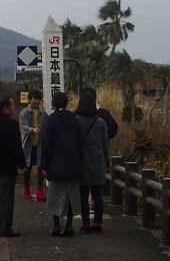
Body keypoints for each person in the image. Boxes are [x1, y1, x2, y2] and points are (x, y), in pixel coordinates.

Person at [0, 96, 27, 237]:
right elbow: (16, 147)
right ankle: (5, 228)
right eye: (12, 105)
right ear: (5, 108)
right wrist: (22, 165)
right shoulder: (12, 124)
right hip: (7, 167)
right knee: (6, 198)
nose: (14, 107)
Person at [40, 92, 82, 237]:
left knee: (55, 196)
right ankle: (69, 226)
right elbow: (80, 143)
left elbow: (46, 146)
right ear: (66, 103)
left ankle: (56, 226)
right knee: (71, 196)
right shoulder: (75, 120)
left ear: (54, 104)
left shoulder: (50, 121)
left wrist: (43, 166)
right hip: (73, 165)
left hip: (55, 166)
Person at [76, 92, 110, 234]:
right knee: (97, 195)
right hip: (97, 161)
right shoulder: (100, 122)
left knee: (83, 195)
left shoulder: (76, 121)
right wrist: (107, 162)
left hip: (82, 161)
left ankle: (85, 224)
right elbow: (105, 144)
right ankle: (97, 223)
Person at [19, 89, 48, 201]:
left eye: (38, 99)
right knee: (28, 168)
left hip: (40, 144)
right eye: (34, 99)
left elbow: (46, 127)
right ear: (29, 100)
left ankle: (40, 191)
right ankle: (26, 189)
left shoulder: (44, 113)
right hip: (28, 145)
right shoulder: (24, 112)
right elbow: (23, 125)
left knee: (41, 167)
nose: (36, 101)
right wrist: (32, 130)